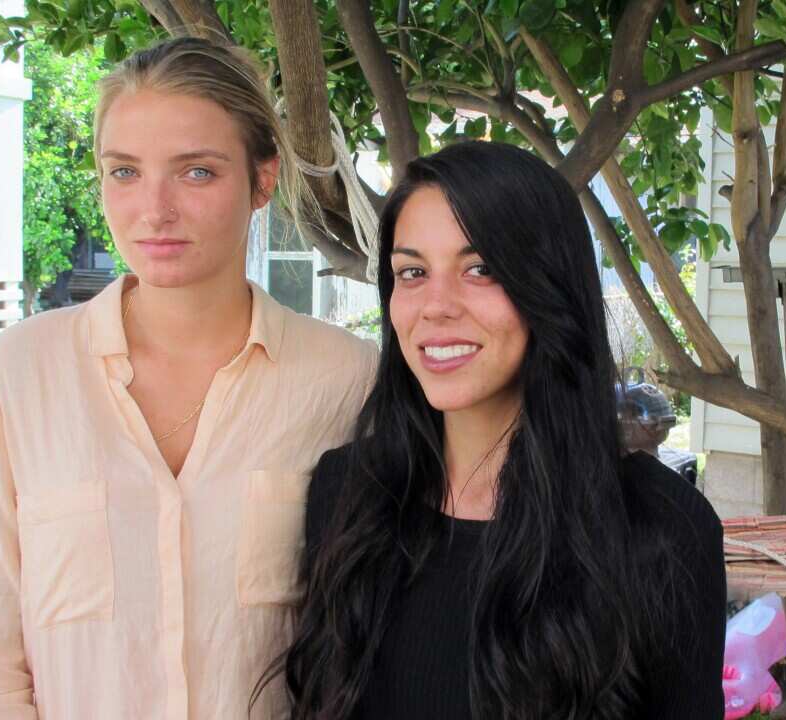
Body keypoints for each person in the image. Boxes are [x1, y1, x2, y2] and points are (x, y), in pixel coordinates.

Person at [0, 37, 376, 718]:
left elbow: (372, 640)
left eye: (196, 172)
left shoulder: (346, 381)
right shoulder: (19, 377)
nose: (154, 210)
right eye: (124, 172)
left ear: (263, 179)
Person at [280, 141, 726, 719]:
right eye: (412, 272)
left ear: (549, 286)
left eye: (480, 268)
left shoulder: (661, 524)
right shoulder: (347, 493)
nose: (435, 305)